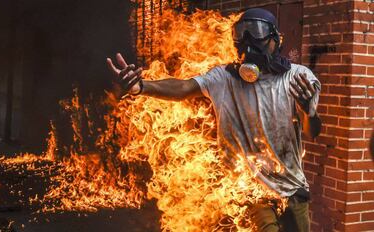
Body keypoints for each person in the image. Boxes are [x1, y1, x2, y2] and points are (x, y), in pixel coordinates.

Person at [107, 8, 321, 232]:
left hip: (293, 187)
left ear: (275, 39)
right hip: (252, 189)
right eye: (241, 34)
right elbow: (183, 87)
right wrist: (141, 87)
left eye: (256, 32)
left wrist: (310, 112)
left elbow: (312, 132)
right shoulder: (224, 78)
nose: (247, 42)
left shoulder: (298, 78)